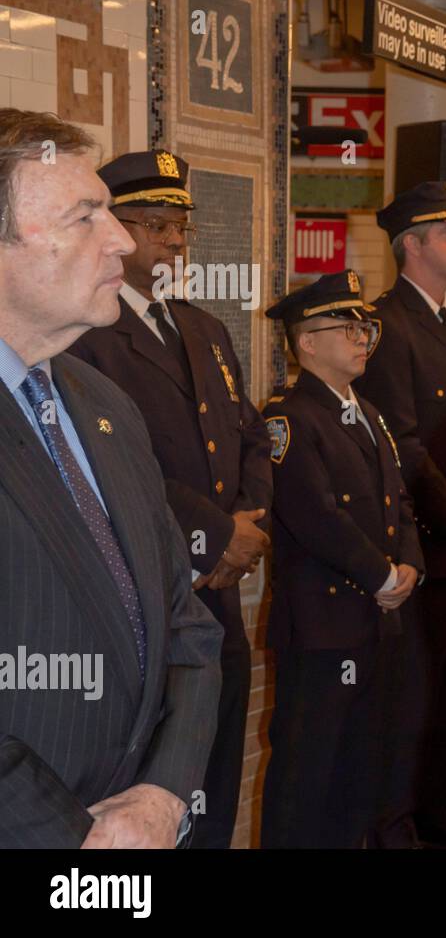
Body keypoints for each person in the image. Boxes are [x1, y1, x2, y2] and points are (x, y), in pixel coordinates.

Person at [0, 108, 222, 847]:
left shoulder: (102, 405)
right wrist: (76, 839)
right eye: (86, 216)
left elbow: (186, 625)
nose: (123, 240)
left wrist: (163, 793)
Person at [67, 149, 272, 848]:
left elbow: (251, 434)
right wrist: (214, 537)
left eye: (180, 227)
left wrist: (245, 520)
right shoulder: (86, 338)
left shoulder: (203, 329)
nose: (175, 242)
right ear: (116, 233)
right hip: (148, 587)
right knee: (149, 792)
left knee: (210, 779)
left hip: (215, 601)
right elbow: (121, 464)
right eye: (157, 226)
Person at [354, 181, 446, 848]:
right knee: (414, 703)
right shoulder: (389, 327)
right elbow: (401, 443)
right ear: (411, 244)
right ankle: (403, 828)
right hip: (431, 549)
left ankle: (442, 823)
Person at [259, 271, 423, 848]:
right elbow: (317, 516)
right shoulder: (289, 417)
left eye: (365, 327)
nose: (362, 337)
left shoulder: (369, 414)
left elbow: (399, 500)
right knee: (308, 779)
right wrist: (382, 576)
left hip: (377, 626)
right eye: (347, 326)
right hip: (324, 630)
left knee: (361, 776)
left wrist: (409, 565)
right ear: (306, 341)